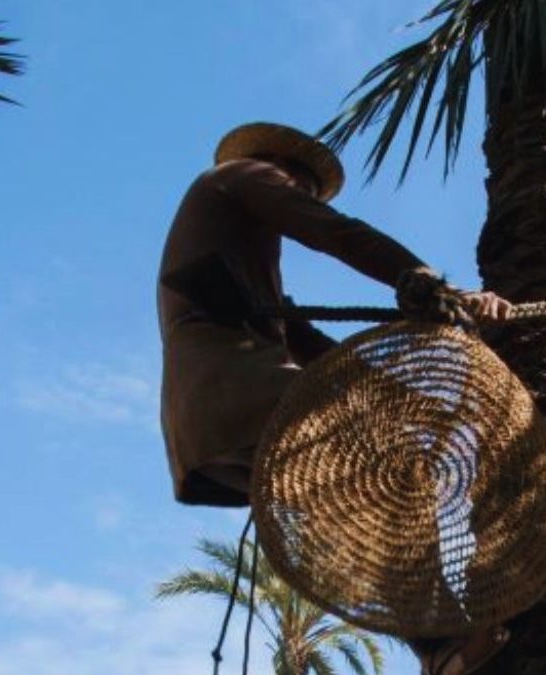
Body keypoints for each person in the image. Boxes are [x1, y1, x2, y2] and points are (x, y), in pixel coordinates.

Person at [157, 122, 512, 674]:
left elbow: (315, 348)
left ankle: (438, 648)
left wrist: (410, 399)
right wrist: (429, 284)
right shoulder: (239, 177)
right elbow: (335, 232)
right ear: (283, 172)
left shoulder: (251, 272)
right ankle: (445, 633)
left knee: (373, 487)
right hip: (236, 390)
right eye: (300, 190)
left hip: (206, 427)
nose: (299, 200)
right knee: (399, 466)